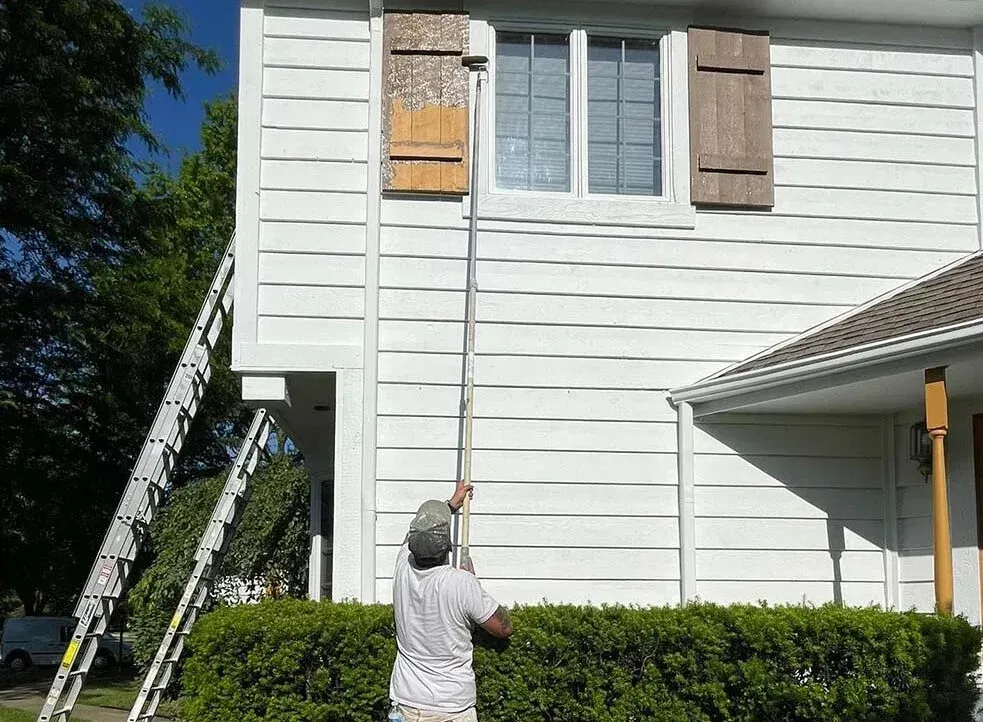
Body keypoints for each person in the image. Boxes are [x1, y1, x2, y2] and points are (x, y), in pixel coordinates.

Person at [389, 481, 513, 722]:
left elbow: (414, 533)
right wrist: (474, 584)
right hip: (451, 708)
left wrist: (450, 504)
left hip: (405, 705)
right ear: (448, 546)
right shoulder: (461, 583)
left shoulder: (403, 564)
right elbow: (503, 628)